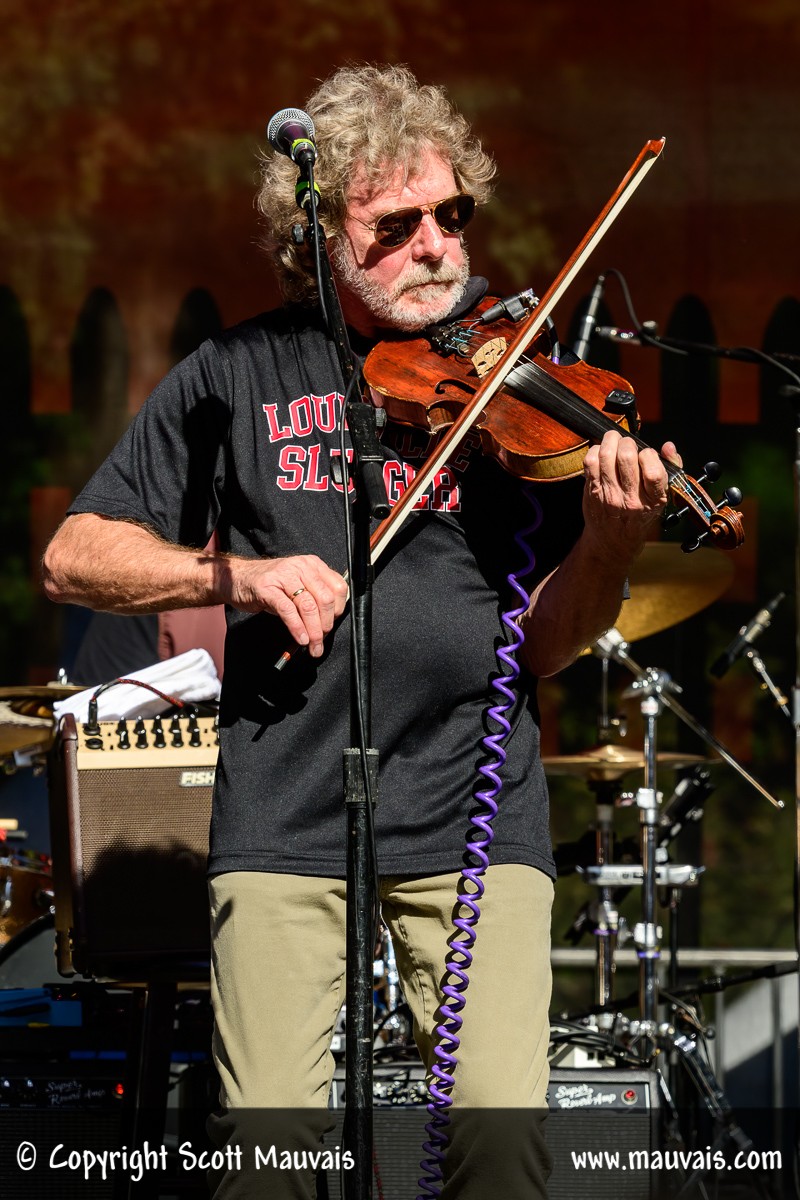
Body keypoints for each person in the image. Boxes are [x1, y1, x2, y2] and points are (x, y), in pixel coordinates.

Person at [42, 64, 676, 1199]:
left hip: (468, 809)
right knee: (277, 1159)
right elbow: (75, 553)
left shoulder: (512, 389)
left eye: (451, 215)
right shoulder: (236, 374)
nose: (437, 245)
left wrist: (611, 545)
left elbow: (543, 646)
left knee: (496, 1139)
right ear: (314, 237)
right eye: (396, 224)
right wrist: (237, 574)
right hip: (283, 803)